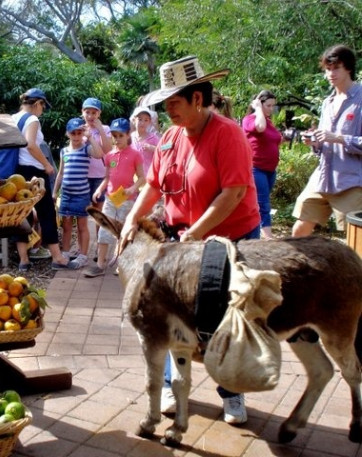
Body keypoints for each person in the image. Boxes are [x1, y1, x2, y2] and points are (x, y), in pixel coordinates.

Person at [122, 56, 261, 424]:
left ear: (198, 99)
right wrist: (131, 220)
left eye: (174, 103)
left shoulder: (228, 133)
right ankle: (171, 383)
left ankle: (232, 391)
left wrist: (197, 233)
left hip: (228, 239)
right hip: (184, 240)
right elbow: (153, 185)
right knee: (170, 311)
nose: (168, 112)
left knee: (225, 318)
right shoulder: (169, 137)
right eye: (164, 105)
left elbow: (232, 193)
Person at [292, 44, 362, 237]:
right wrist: (314, 143)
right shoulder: (327, 103)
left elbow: (339, 139)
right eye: (328, 69)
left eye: (336, 68)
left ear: (348, 68)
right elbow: (324, 143)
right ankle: (297, 267)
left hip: (352, 182)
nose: (331, 73)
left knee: (356, 239)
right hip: (323, 177)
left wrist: (339, 139)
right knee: (300, 228)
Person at [12, 88, 78, 271]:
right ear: (37, 103)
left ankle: (23, 260)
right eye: (43, 106)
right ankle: (57, 258)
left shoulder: (13, 118)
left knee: (21, 214)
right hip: (34, 172)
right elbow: (31, 145)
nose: (43, 110)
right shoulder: (32, 119)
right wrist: (47, 165)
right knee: (47, 213)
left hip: (17, 173)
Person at [84, 118, 145, 278]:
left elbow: (142, 177)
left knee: (124, 230)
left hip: (127, 199)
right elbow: (107, 177)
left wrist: (133, 187)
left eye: (120, 136)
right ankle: (100, 264)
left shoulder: (135, 154)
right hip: (111, 199)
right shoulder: (110, 155)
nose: (117, 139)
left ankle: (122, 263)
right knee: (105, 229)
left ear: (127, 135)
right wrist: (99, 189)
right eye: (114, 136)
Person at [52, 118, 104, 269]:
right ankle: (66, 253)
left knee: (82, 226)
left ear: (82, 133)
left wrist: (90, 137)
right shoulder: (64, 151)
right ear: (68, 134)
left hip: (81, 195)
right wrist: (55, 192)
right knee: (66, 226)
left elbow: (99, 154)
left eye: (79, 133)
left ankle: (83, 256)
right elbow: (60, 173)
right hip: (66, 195)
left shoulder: (86, 148)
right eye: (73, 133)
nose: (76, 136)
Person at [243, 90, 282, 239]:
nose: (271, 109)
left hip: (270, 170)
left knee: (260, 203)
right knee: (263, 203)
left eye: (273, 106)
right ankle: (268, 236)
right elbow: (259, 127)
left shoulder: (268, 121)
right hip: (256, 168)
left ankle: (256, 230)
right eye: (268, 105)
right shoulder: (249, 119)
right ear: (259, 103)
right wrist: (258, 108)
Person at [80, 97, 113, 259]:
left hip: (100, 177)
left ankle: (100, 250)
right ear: (82, 112)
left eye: (94, 112)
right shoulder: (78, 128)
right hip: (82, 177)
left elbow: (108, 150)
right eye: (88, 112)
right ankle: (82, 251)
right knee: (82, 214)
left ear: (99, 113)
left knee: (99, 214)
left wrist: (100, 130)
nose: (91, 115)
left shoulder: (105, 128)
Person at [131, 106, 161, 176]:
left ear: (149, 122)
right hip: (134, 175)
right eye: (140, 119)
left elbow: (163, 150)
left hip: (149, 175)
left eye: (146, 120)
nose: (142, 123)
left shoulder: (153, 137)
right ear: (134, 120)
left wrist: (152, 148)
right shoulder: (131, 137)